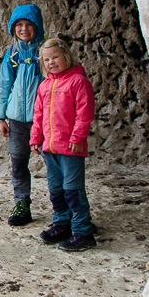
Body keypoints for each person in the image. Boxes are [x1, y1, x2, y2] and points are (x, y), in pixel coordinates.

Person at [30, 37, 96, 251]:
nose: (51, 63)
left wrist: (78, 138)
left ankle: (82, 231)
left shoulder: (78, 82)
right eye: (46, 59)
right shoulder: (45, 85)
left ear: (66, 56)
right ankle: (62, 224)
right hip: (50, 148)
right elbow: (38, 114)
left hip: (70, 148)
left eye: (55, 57)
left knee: (72, 190)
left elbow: (84, 114)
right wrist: (36, 137)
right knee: (56, 189)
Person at [0, 3, 45, 227]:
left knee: (53, 164)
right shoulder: (13, 54)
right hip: (16, 119)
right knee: (19, 164)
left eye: (28, 25)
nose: (24, 29)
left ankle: (63, 208)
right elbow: (5, 84)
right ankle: (22, 203)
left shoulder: (45, 53)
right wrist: (0, 117)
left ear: (37, 27)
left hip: (41, 121)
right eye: (19, 25)